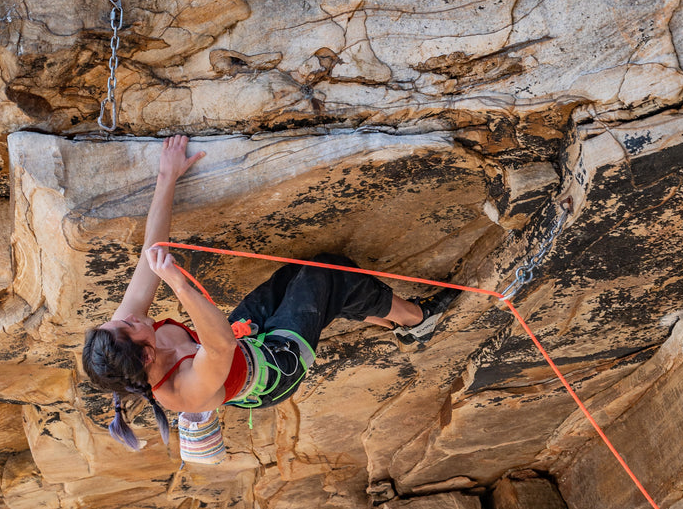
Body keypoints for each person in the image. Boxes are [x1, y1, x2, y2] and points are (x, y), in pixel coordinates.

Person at [81, 135, 447, 450]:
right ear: (146, 357)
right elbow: (219, 346)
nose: (126, 315)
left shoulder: (126, 332)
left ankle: (376, 315)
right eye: (127, 325)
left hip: (245, 339)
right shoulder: (180, 391)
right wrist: (178, 283)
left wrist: (167, 176)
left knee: (301, 275)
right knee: (323, 273)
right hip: (274, 369)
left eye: (115, 321)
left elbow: (151, 249)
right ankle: (416, 321)